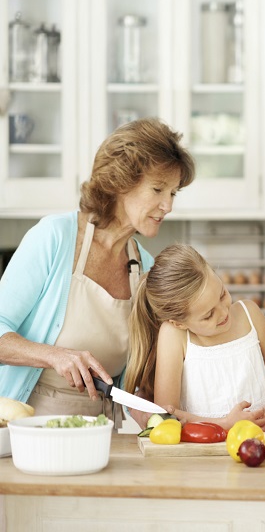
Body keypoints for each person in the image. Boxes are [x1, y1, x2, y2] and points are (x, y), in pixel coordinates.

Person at [0, 118, 195, 428]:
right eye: (158, 189)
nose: (168, 205)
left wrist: (164, 418)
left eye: (173, 193)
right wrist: (55, 356)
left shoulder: (145, 268)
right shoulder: (55, 237)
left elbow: (135, 387)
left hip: (100, 436)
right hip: (26, 433)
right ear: (121, 183)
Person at [126, 244, 265, 432]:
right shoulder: (173, 336)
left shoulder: (250, 314)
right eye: (208, 315)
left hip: (260, 451)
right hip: (200, 458)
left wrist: (256, 427)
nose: (224, 312)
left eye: (222, 294)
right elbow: (168, 417)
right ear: (179, 323)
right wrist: (225, 426)